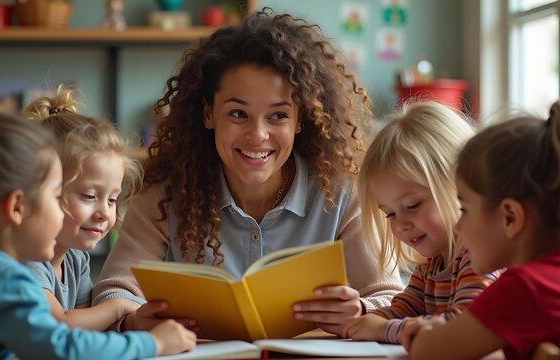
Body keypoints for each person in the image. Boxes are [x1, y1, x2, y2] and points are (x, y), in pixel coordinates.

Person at [92, 8, 404, 334]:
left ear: (301, 120)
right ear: (208, 114)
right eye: (238, 113)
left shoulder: (341, 192)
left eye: (278, 116)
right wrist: (131, 316)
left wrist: (361, 310)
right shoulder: (164, 195)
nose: (258, 134)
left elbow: (392, 298)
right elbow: (112, 292)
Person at [0, 111, 196, 359]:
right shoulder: (2, 280)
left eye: (112, 199)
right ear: (16, 207)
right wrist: (152, 344)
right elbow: (64, 349)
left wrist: (130, 322)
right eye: (56, 195)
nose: (60, 210)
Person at [331, 101, 502, 343]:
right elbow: (400, 311)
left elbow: (463, 327)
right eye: (390, 214)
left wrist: (381, 330)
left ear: (460, 185)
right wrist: (360, 323)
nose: (400, 225)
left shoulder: (482, 259)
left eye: (412, 206)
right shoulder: (430, 268)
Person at [403, 101, 560, 360]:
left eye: (464, 209)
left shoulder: (527, 287)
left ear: (510, 218)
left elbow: (428, 352)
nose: (458, 225)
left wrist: (431, 330)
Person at [23, 86, 145, 331]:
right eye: (89, 196)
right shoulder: (26, 260)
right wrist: (120, 306)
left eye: (112, 200)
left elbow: (86, 329)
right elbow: (62, 327)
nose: (104, 213)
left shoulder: (75, 258)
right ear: (42, 190)